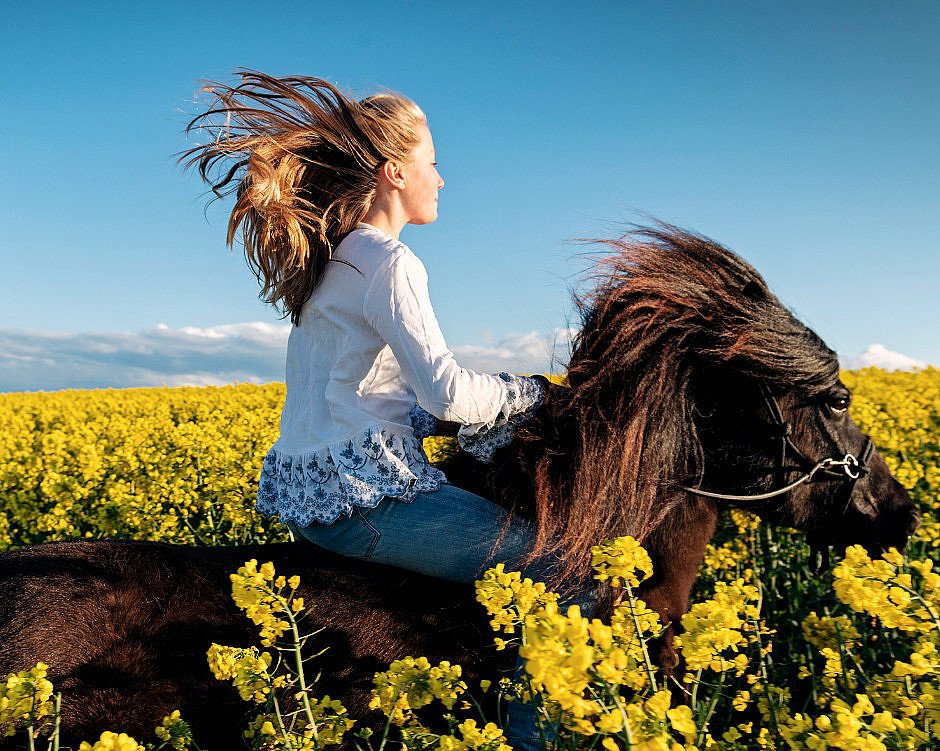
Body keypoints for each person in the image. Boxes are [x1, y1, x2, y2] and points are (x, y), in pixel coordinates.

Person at [183, 70, 593, 749]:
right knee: (567, 570)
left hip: (315, 503)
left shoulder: (333, 262)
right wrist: (533, 392)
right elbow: (447, 393)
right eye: (432, 162)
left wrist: (475, 420)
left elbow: (370, 398)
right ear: (394, 172)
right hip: (364, 503)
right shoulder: (390, 262)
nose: (442, 179)